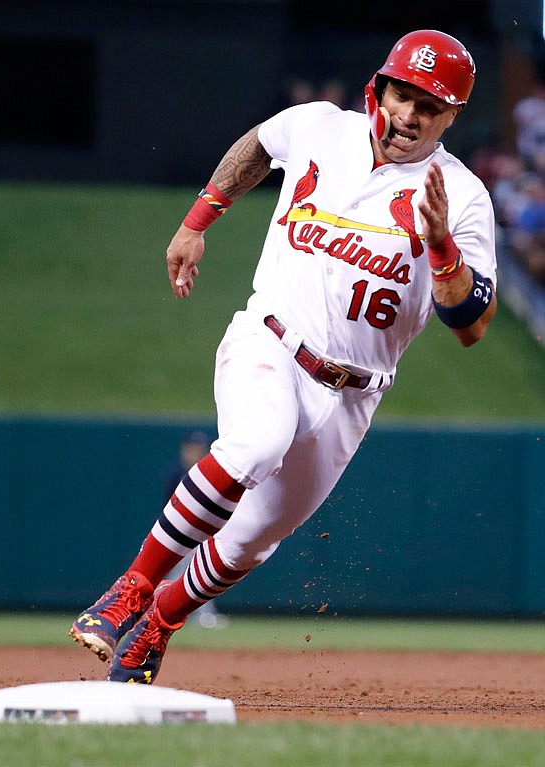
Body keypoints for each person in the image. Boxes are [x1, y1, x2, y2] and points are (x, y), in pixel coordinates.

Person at [70, 30, 497, 684]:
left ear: (452, 117)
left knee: (251, 541)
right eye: (402, 93)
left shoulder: (461, 197)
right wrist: (196, 220)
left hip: (354, 393)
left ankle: (158, 622)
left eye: (429, 105)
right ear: (378, 88)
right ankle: (129, 588)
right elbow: (257, 149)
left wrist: (440, 246)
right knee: (256, 443)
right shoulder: (320, 127)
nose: (409, 114)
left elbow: (471, 323)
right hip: (271, 339)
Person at [163, 431, 229, 629]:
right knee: (184, 575)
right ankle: (162, 607)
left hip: (203, 532)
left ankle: (201, 614)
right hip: (181, 533)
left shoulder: (206, 472)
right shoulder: (177, 474)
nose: (195, 452)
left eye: (199, 448)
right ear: (184, 449)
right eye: (192, 448)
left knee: (199, 573)